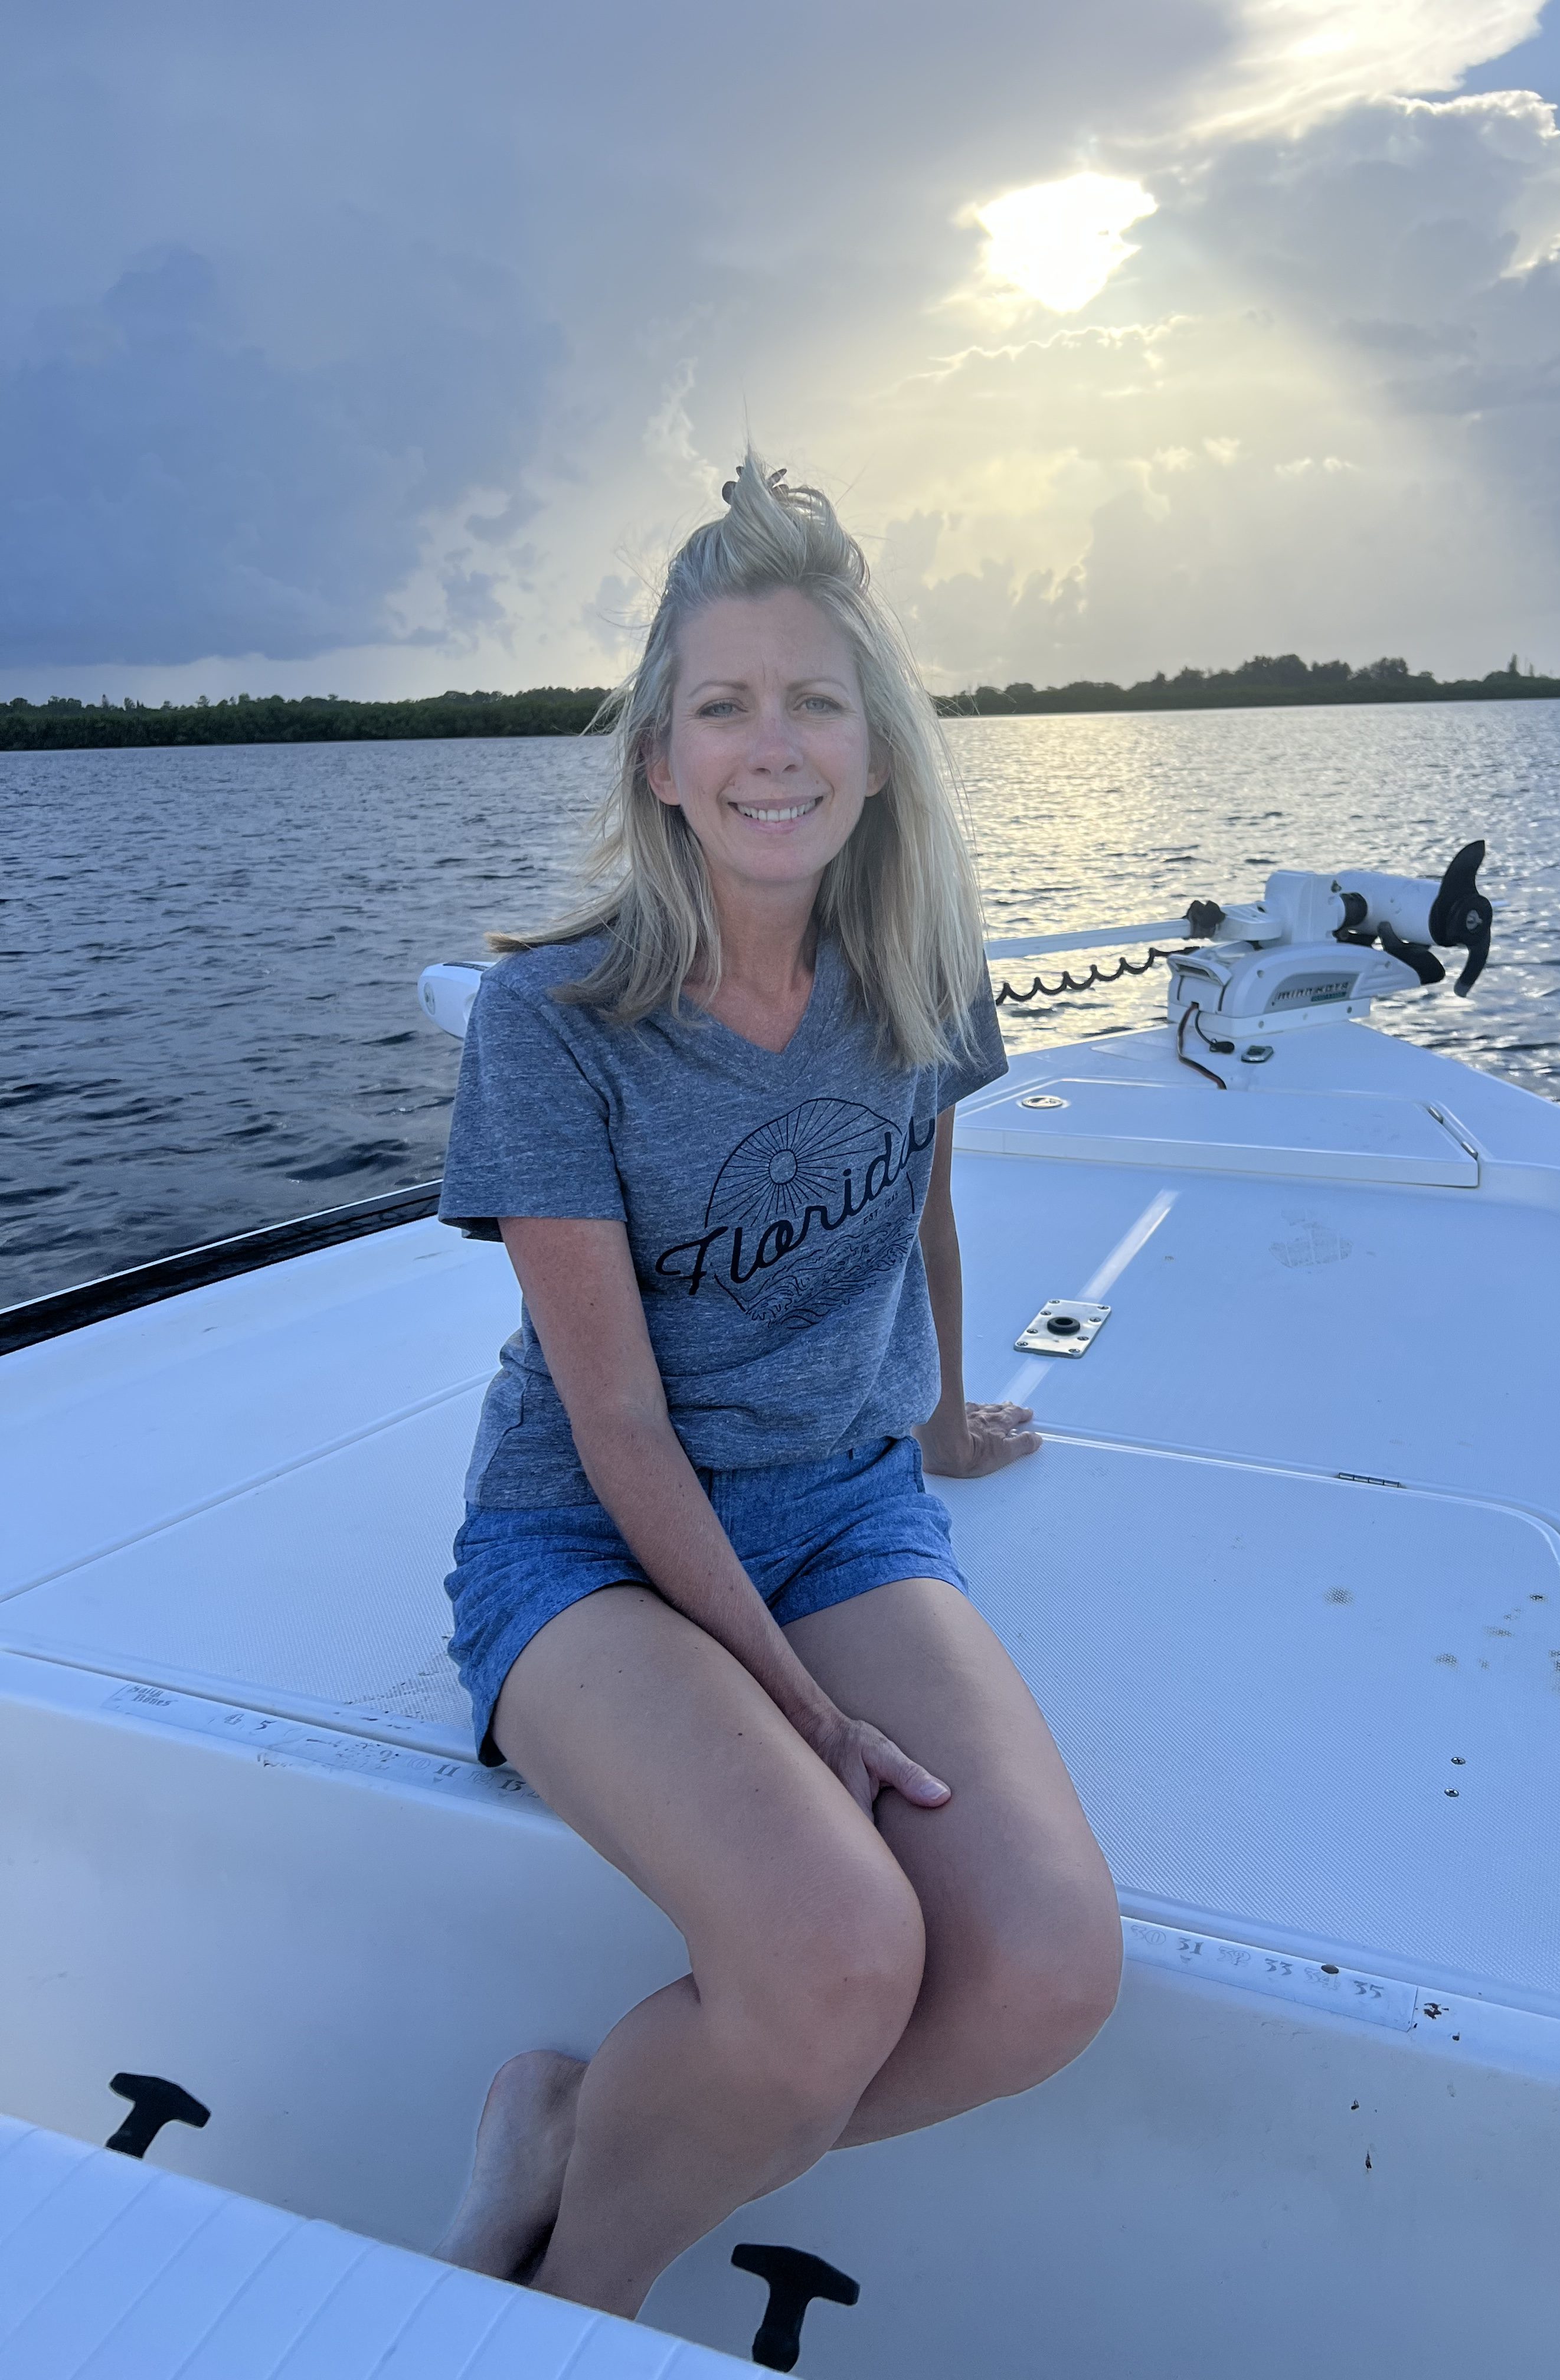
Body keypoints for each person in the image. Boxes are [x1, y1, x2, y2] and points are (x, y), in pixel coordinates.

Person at [431, 453, 1122, 2318]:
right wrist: (801, 1706)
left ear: (879, 750)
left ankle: (576, 2143)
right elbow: (618, 1421)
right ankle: (568, 2308)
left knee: (1046, 1971)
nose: (773, 744)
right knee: (832, 1954)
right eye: (723, 704)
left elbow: (924, 1227)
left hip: (840, 1501)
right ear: (659, 759)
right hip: (587, 1546)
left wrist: (946, 1420)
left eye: (816, 699)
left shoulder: (919, 969)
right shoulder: (555, 1023)